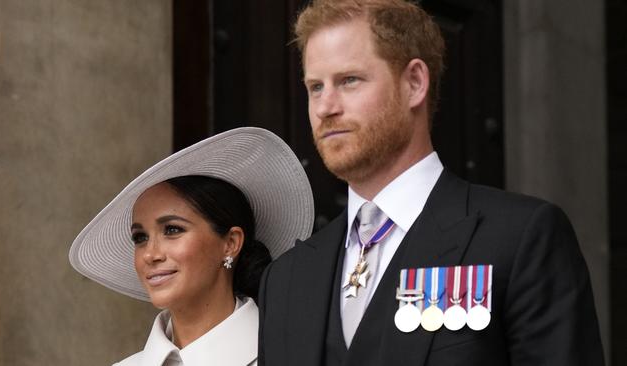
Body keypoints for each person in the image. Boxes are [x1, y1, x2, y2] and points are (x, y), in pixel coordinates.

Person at [257, 1, 605, 365]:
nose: (325, 107)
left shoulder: (520, 240)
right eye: (315, 87)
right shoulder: (285, 280)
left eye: (349, 81)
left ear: (414, 83)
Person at [69, 127, 314, 365]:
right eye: (140, 237)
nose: (150, 254)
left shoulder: (293, 357)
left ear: (230, 243)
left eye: (172, 230)